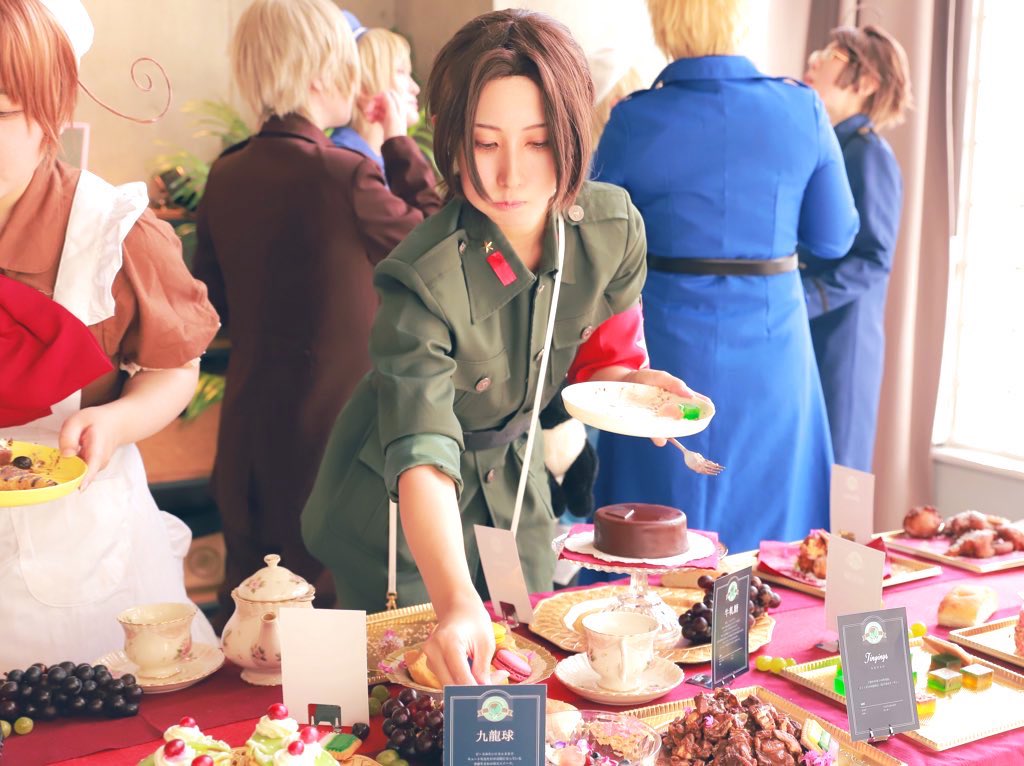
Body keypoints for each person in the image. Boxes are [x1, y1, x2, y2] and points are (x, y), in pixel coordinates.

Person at [302, 8, 694, 686]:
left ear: (573, 135)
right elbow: (423, 452)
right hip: (402, 506)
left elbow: (605, 358)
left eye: (538, 142)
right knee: (414, 689)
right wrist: (454, 602)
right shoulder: (420, 278)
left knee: (532, 663)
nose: (510, 175)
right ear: (452, 140)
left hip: (516, 478)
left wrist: (638, 386)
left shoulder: (611, 230)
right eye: (485, 143)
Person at [192, 0, 441, 627]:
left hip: (249, 433)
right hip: (328, 439)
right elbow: (444, 253)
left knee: (253, 619)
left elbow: (211, 305)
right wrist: (400, 144)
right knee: (327, 618)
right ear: (318, 73)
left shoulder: (226, 173)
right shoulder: (345, 175)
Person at [588, 0, 860, 557]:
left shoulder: (635, 119)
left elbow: (595, 241)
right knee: (776, 526)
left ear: (662, 22)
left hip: (667, 347)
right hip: (773, 349)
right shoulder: (800, 109)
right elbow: (835, 237)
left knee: (659, 524)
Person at [0, 0, 219, 666]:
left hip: (82, 556)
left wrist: (117, 421)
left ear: (51, 112)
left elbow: (174, 367)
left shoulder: (111, 234)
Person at [802, 25, 911, 472]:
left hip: (842, 341)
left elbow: (874, 257)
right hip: (811, 329)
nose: (814, 59)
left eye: (832, 54)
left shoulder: (868, 153)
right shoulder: (827, 146)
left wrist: (804, 297)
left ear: (866, 82)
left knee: (838, 473)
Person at [331, 17, 421, 173]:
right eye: (400, 72)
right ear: (363, 87)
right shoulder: (347, 163)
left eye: (409, 73)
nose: (415, 88)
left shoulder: (383, 161)